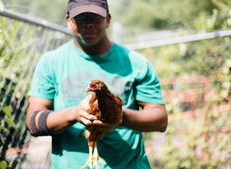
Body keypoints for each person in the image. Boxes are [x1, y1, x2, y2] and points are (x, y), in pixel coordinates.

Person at [26, 0, 168, 168]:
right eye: (80, 18)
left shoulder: (135, 63)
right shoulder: (50, 63)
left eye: (95, 17)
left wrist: (119, 115)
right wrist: (75, 114)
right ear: (68, 21)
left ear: (108, 19)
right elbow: (33, 122)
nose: (88, 24)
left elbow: (160, 120)